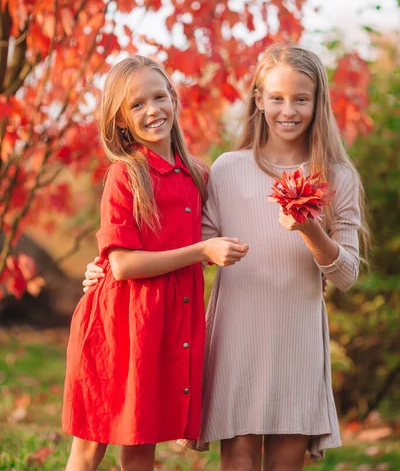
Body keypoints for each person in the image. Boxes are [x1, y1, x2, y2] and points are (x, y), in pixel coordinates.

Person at [84, 45, 368, 471]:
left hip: (298, 334)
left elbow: (346, 273)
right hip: (236, 332)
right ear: (258, 100)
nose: (287, 110)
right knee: (237, 459)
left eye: (301, 99)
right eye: (276, 98)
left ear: (317, 102)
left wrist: (309, 229)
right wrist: (108, 267)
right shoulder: (226, 170)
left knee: (287, 461)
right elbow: (180, 239)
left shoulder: (337, 176)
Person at [62, 55, 248, 471]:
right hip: (118, 324)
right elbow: (124, 265)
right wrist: (201, 253)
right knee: (90, 447)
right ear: (122, 121)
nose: (153, 110)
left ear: (174, 99)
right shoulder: (126, 174)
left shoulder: (197, 174)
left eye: (159, 97)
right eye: (138, 105)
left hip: (165, 326)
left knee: (141, 442)